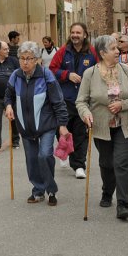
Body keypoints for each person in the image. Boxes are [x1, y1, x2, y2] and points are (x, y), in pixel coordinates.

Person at [76, 35, 128, 220]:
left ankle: (122, 204)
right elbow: (81, 101)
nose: (117, 51)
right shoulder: (90, 74)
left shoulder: (125, 70)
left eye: (117, 48)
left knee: (121, 163)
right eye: (113, 48)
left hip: (125, 125)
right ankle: (107, 191)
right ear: (102, 53)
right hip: (101, 126)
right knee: (106, 163)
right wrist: (86, 114)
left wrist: (123, 104)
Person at [5, 41, 69, 206]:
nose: (25, 62)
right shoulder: (15, 76)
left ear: (37, 60)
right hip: (25, 127)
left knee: (44, 155)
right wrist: (9, 106)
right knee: (32, 159)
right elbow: (8, 96)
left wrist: (62, 124)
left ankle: (51, 190)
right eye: (22, 58)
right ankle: (38, 190)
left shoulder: (46, 75)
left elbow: (58, 101)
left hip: (46, 125)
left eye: (29, 58)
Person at [49, 22, 98, 179]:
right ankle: (65, 151)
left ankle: (78, 165)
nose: (75, 35)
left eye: (78, 32)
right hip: (64, 100)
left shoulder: (92, 52)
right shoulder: (63, 51)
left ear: (85, 35)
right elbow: (52, 69)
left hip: (83, 101)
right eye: (73, 32)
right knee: (62, 130)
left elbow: (100, 69)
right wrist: (66, 75)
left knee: (80, 134)